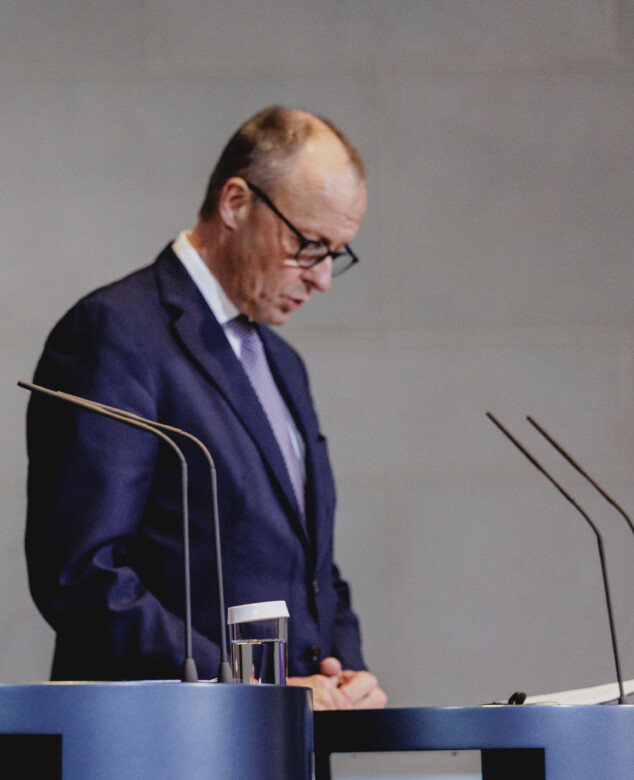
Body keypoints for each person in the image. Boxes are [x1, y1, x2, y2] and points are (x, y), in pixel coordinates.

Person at [25, 106, 386, 710]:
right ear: (237, 203)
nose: (322, 278)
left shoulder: (283, 362)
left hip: (278, 743)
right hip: (165, 744)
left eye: (337, 253)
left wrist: (346, 670)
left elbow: (309, 562)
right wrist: (245, 687)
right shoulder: (114, 333)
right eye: (309, 245)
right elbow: (84, 575)